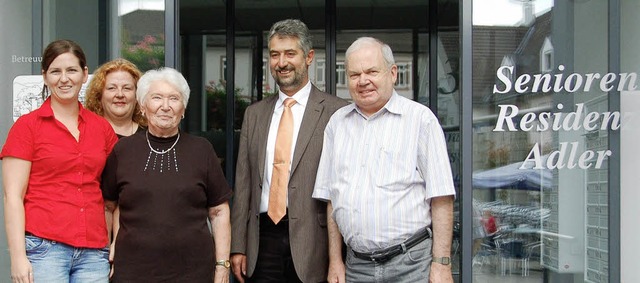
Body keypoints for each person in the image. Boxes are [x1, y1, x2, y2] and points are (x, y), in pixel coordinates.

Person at [312, 37, 457, 283]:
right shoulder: (337, 124)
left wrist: (441, 263)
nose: (363, 80)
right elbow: (331, 200)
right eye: (355, 74)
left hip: (411, 265)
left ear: (392, 73)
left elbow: (441, 197)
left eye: (371, 71)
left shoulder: (421, 120)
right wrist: (335, 260)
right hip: (356, 267)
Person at [230, 19, 348, 283]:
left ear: (308, 57)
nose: (281, 62)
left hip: (314, 242)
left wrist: (338, 255)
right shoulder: (254, 114)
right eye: (274, 54)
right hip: (261, 242)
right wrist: (238, 244)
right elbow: (244, 183)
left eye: (290, 53)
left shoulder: (337, 112)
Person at [100, 67, 233, 282]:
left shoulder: (202, 150)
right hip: (132, 272)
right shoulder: (123, 150)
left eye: (174, 99)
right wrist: (104, 254)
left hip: (193, 273)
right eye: (157, 98)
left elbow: (219, 212)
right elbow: (108, 206)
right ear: (143, 106)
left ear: (183, 109)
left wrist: (222, 266)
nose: (165, 106)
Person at [2, 39, 118, 282]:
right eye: (56, 71)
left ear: (85, 74)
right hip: (45, 249)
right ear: (45, 76)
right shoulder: (27, 127)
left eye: (72, 70)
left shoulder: (102, 128)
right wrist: (18, 257)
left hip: (94, 250)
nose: (64, 79)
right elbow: (13, 196)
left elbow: (116, 192)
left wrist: (115, 242)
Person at [85, 58, 146, 138]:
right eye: (112, 88)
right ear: (99, 95)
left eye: (126, 88)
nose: (120, 94)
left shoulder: (150, 136)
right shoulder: (87, 134)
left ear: (137, 95)